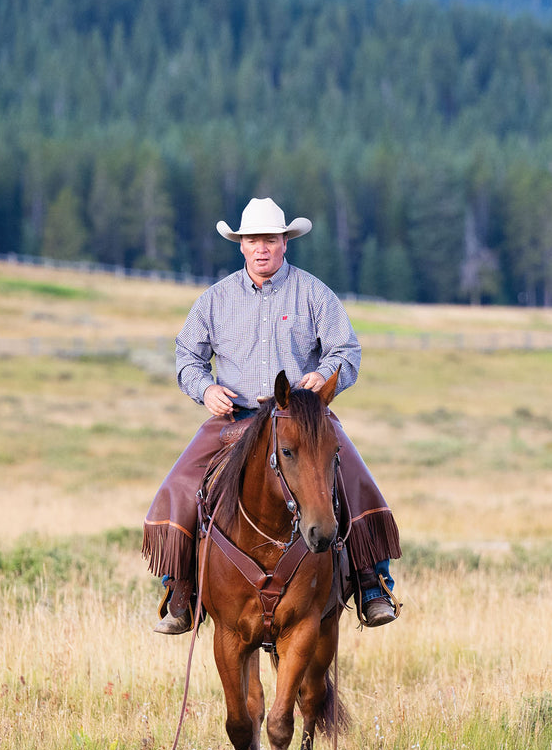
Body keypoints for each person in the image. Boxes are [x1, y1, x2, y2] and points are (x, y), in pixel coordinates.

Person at [142, 197, 401, 634]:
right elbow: (187, 355)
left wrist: (321, 375)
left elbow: (346, 350)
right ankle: (180, 589)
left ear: (285, 243)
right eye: (252, 240)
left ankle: (372, 581)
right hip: (236, 417)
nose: (261, 248)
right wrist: (205, 389)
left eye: (271, 239)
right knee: (180, 484)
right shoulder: (215, 300)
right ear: (240, 246)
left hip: (299, 415)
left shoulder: (314, 293)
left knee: (354, 477)